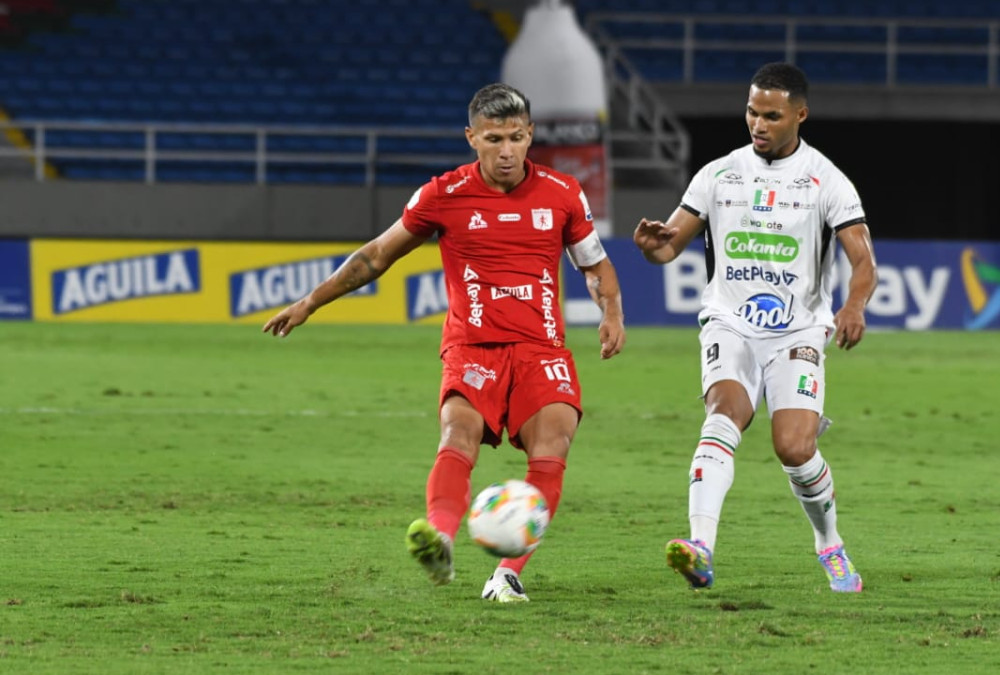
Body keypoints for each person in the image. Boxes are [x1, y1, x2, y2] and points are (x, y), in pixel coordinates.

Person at [263, 83, 626, 603]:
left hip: (542, 349)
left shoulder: (563, 192)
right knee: (458, 436)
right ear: (471, 138)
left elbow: (593, 264)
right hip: (472, 346)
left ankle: (507, 573)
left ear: (531, 136)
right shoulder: (442, 195)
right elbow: (375, 257)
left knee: (554, 447)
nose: (507, 151)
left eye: (517, 138)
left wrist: (611, 310)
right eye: (495, 138)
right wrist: (311, 302)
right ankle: (439, 538)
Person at [633, 62, 877, 593]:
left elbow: (864, 262)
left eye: (771, 115)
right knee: (724, 415)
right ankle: (700, 548)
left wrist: (853, 307)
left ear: (800, 115)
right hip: (730, 322)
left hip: (798, 332)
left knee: (793, 447)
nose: (757, 124)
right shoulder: (719, 174)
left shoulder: (826, 180)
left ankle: (829, 543)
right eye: (751, 112)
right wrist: (658, 248)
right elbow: (672, 241)